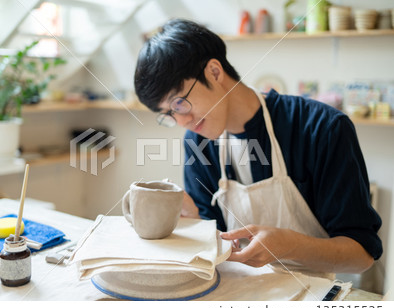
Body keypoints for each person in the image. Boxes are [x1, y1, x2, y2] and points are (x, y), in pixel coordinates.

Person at [134, 18, 382, 275]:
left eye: (179, 103)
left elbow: (362, 256)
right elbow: (215, 246)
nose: (182, 121)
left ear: (214, 72)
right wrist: (194, 218)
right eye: (169, 114)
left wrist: (290, 246)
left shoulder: (321, 128)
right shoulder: (197, 143)